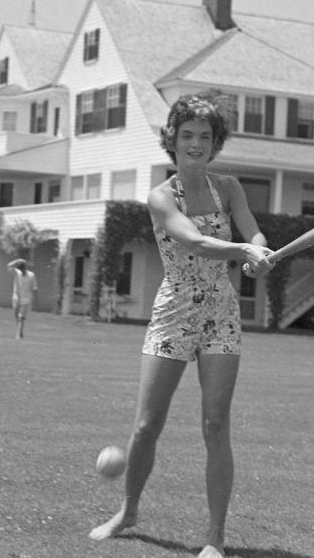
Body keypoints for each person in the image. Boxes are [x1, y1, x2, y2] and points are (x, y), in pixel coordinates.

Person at [89, 94, 274, 558]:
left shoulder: (229, 188)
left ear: (215, 144)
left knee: (215, 424)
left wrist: (259, 250)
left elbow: (251, 231)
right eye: (186, 135)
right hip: (174, 312)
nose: (195, 144)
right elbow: (192, 240)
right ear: (172, 140)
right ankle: (128, 512)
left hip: (221, 314)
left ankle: (214, 536)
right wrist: (241, 253)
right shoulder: (159, 196)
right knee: (147, 425)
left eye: (204, 137)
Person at [7, 258, 38, 339]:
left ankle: (18, 334)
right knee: (16, 315)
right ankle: (20, 331)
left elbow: (34, 289)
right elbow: (9, 265)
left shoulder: (31, 275)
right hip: (16, 298)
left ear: (25, 268)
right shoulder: (17, 273)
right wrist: (18, 260)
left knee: (21, 317)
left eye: (22, 268)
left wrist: (36, 300)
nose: (21, 271)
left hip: (26, 299)